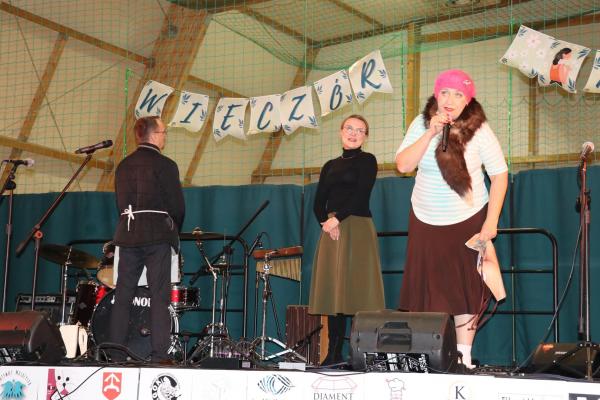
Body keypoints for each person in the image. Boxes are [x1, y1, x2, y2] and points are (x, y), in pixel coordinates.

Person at [395, 69, 508, 369]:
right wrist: (430, 133)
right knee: (424, 290)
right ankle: (426, 355)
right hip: (425, 217)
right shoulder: (421, 123)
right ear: (436, 94)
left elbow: (499, 175)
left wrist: (491, 222)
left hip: (467, 218)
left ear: (467, 100)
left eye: (458, 94)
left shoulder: (479, 129)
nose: (450, 99)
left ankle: (463, 357)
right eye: (445, 92)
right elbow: (403, 165)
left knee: (465, 289)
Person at [309, 114, 385, 366]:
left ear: (365, 136)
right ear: (341, 132)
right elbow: (319, 201)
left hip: (357, 228)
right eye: (349, 128)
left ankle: (358, 352)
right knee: (335, 293)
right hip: (332, 231)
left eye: (360, 130)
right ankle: (333, 353)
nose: (353, 133)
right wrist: (326, 222)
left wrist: (337, 220)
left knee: (357, 291)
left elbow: (361, 195)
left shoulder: (368, 160)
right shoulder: (329, 165)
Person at [109, 116, 185, 363]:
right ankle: (159, 355)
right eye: (164, 133)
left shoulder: (123, 166)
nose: (165, 138)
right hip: (157, 235)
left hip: (128, 234)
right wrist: (173, 230)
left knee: (123, 296)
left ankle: (115, 353)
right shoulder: (167, 165)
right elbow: (177, 206)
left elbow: (120, 204)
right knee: (159, 295)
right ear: (154, 135)